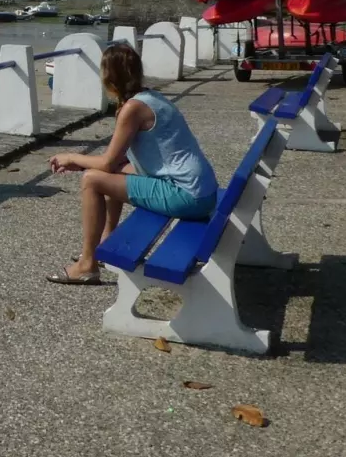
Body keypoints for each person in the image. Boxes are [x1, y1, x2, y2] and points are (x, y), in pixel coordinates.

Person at [44, 44, 217, 285]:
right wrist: (87, 164)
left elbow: (105, 162)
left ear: (109, 78)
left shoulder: (133, 109)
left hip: (188, 196)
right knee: (109, 174)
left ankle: (87, 264)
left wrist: (72, 157)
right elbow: (115, 164)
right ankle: (105, 243)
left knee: (92, 180)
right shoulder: (152, 98)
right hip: (201, 192)